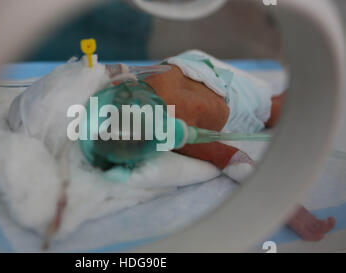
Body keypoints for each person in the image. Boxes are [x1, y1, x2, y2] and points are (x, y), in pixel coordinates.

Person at [142, 50, 336, 241]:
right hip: (219, 86)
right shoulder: (170, 134)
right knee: (277, 109)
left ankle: (319, 72)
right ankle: (316, 78)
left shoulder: (141, 108)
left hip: (192, 69)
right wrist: (289, 207)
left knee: (277, 108)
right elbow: (236, 161)